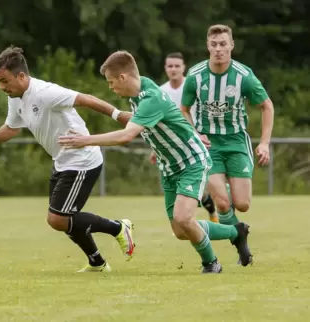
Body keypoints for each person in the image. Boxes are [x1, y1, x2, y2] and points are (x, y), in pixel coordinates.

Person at [59, 50, 253, 273]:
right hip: (169, 167)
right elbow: (153, 119)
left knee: (184, 217)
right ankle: (236, 232)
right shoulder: (142, 89)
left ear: (123, 77)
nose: (111, 87)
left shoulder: (150, 98)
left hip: (191, 161)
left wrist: (84, 140)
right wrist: (114, 114)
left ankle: (211, 264)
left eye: (112, 82)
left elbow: (126, 136)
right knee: (180, 231)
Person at [0, 46, 135, 273]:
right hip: (62, 161)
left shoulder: (45, 92)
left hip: (82, 160)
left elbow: (85, 99)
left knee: (58, 218)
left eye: (5, 81)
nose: (2, 87)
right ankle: (96, 262)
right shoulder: (16, 97)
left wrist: (118, 115)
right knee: (65, 218)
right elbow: (11, 128)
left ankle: (117, 228)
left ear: (21, 76)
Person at [181, 25, 274, 264]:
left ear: (231, 45)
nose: (218, 49)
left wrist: (264, 143)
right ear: (208, 46)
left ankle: (237, 222)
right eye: (214, 45)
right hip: (209, 145)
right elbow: (183, 110)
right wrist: (194, 134)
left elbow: (267, 106)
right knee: (222, 203)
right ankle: (240, 243)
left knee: (241, 204)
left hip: (236, 142)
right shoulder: (195, 75)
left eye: (223, 44)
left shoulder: (243, 75)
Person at [157, 52, 218, 223]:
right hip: (172, 146)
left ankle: (208, 213)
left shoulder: (191, 87)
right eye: (170, 66)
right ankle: (195, 216)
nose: (173, 69)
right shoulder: (161, 91)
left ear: (183, 67)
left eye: (177, 66)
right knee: (182, 186)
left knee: (202, 185)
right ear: (165, 68)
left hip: (196, 143)